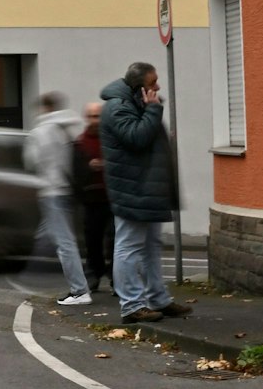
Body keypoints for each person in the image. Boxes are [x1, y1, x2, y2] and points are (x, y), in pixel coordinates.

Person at [101, 62, 190, 324]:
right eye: (153, 83)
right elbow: (136, 138)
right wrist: (152, 110)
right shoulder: (118, 107)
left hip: (145, 188)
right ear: (139, 87)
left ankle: (157, 299)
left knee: (151, 245)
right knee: (128, 246)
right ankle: (131, 305)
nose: (158, 87)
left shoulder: (134, 104)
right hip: (132, 189)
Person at [24, 91, 90, 307]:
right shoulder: (66, 128)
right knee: (49, 235)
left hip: (50, 190)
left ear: (44, 108)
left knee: (64, 242)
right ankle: (31, 273)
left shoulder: (40, 132)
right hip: (67, 190)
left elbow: (32, 162)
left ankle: (80, 291)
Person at [70, 100, 114, 296]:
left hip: (112, 198)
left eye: (98, 116)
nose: (95, 120)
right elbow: (75, 172)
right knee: (92, 240)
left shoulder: (111, 139)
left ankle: (116, 277)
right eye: (91, 116)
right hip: (90, 199)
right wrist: (89, 166)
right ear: (86, 118)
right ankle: (93, 275)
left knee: (114, 241)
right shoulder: (80, 143)